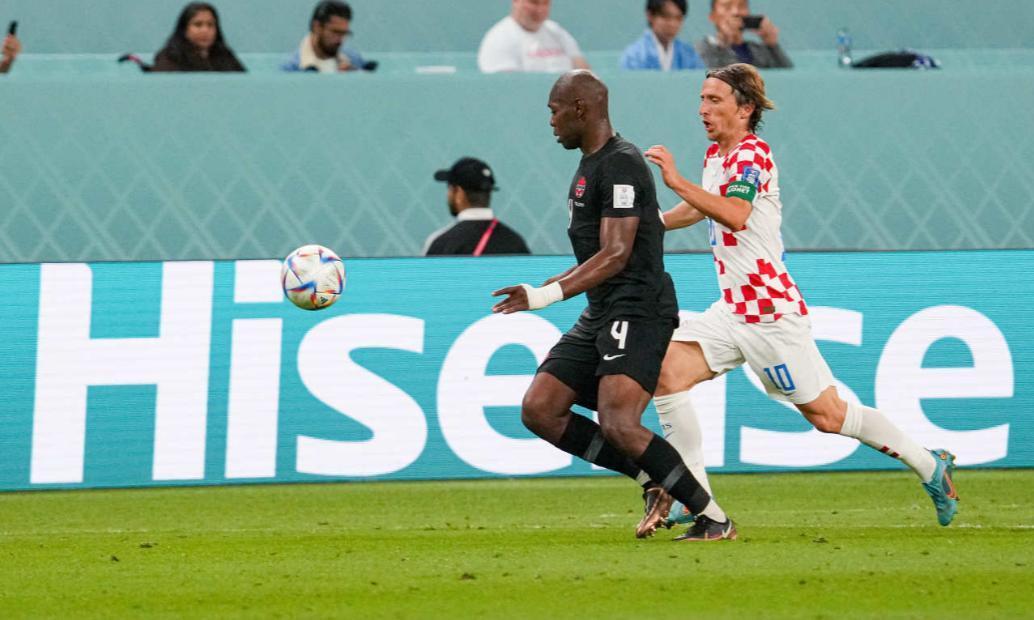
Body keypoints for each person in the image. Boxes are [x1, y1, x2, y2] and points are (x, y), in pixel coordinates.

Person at [642, 63, 959, 539]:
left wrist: (674, 179)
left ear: (745, 109)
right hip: (732, 310)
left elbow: (735, 213)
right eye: (702, 99)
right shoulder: (716, 155)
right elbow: (702, 204)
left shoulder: (753, 155)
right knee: (666, 373)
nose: (702, 108)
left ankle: (930, 465)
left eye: (714, 100)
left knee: (828, 416)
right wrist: (656, 224)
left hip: (770, 314)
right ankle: (698, 499)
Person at [492, 70, 732, 542]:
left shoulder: (621, 163)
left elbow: (617, 254)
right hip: (602, 310)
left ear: (580, 109)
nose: (551, 120)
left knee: (619, 422)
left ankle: (714, 519)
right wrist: (554, 281)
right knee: (541, 408)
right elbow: (601, 252)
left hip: (639, 308)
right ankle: (651, 481)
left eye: (555, 110)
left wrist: (545, 296)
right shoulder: (591, 165)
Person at [424, 158, 531, 256]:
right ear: (489, 193)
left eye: (449, 188)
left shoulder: (441, 243)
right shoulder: (516, 243)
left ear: (458, 193)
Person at [477, 0, 589, 73]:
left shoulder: (556, 31)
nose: (540, 10)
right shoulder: (499, 38)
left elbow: (582, 69)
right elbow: (508, 86)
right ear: (516, 1)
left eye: (545, 3)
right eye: (533, 2)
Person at [695, 0, 792, 69]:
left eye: (742, 6)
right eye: (727, 7)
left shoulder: (758, 50)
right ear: (713, 17)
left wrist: (772, 46)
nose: (736, 12)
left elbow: (786, 75)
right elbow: (713, 76)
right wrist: (724, 43)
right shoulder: (703, 48)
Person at [152, 2, 245, 72]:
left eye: (210, 25)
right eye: (198, 24)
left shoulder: (225, 56)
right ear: (184, 29)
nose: (205, 30)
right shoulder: (170, 58)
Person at [282, 0, 370, 73]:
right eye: (335, 32)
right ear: (317, 27)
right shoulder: (292, 68)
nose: (340, 40)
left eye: (344, 34)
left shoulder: (354, 59)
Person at [620, 0, 704, 71]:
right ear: (650, 16)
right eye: (666, 17)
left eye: (678, 18)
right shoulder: (634, 55)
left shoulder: (690, 54)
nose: (672, 24)